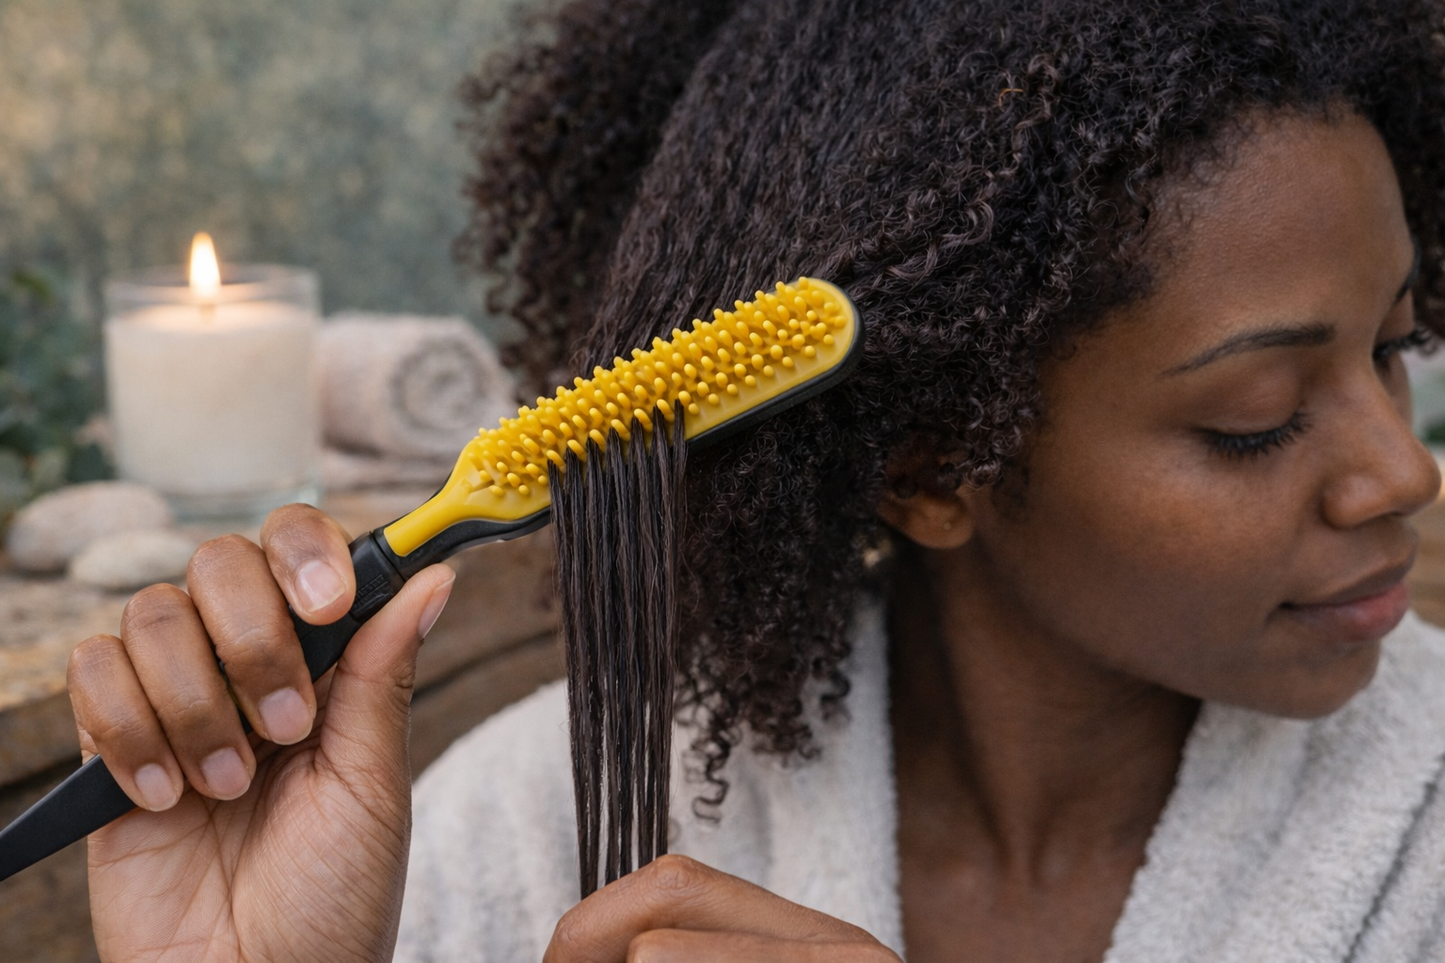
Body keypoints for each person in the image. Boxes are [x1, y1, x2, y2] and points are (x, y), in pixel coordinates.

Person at [64, 0, 1445, 960]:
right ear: (925, 462)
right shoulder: (515, 826)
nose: (1399, 469)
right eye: (1256, 418)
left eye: (1395, 350)